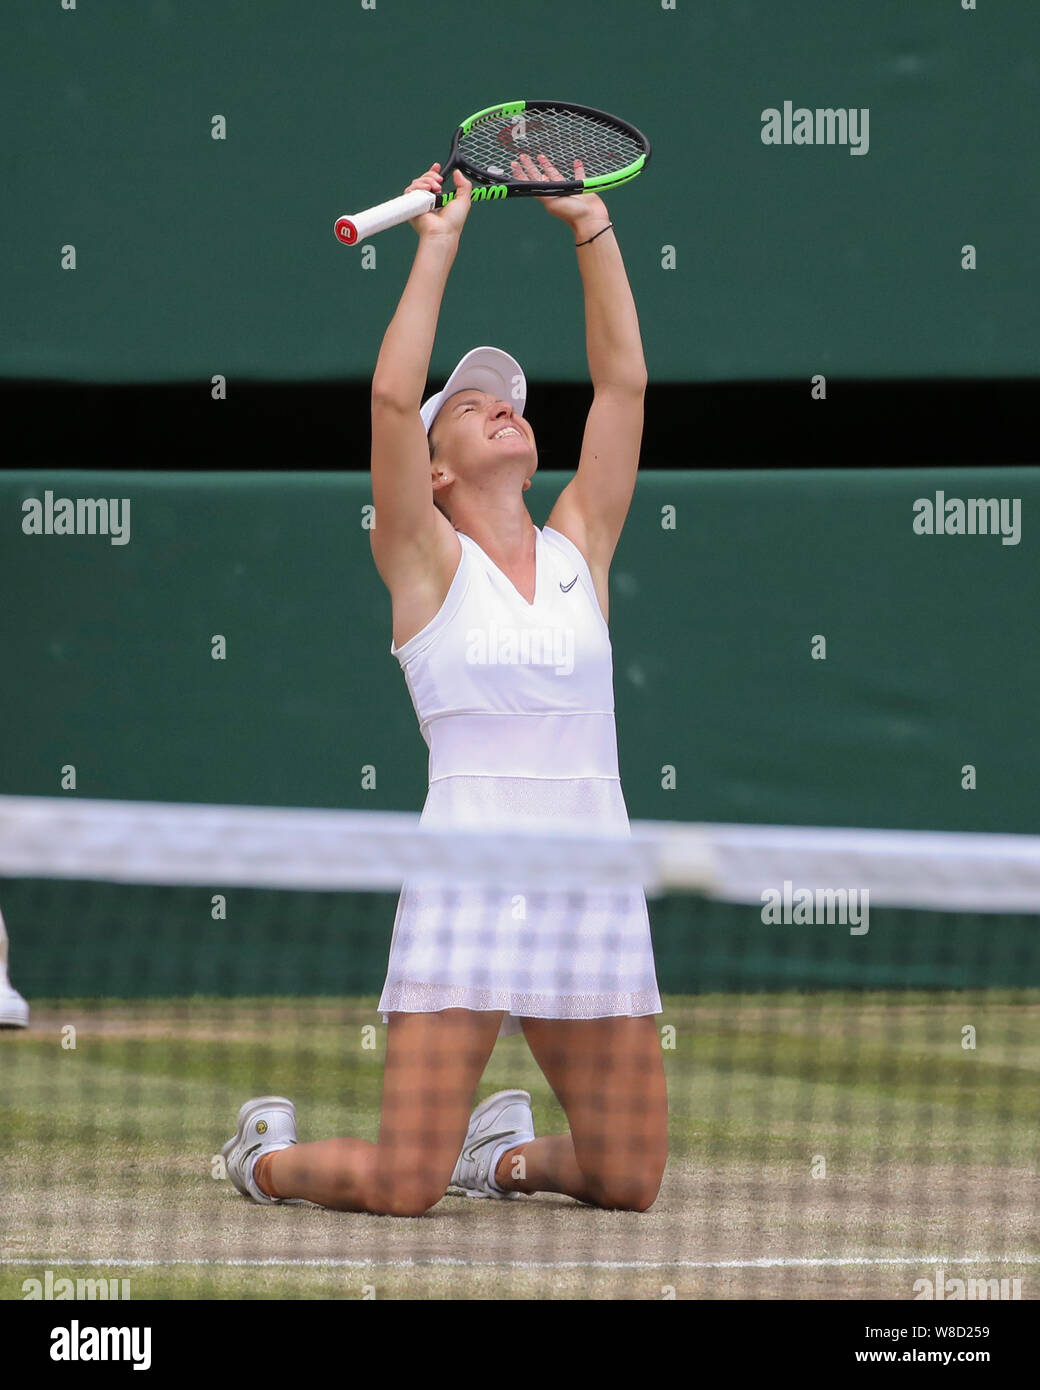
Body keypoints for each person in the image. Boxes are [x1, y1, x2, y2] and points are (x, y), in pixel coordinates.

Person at [222, 152, 666, 1215]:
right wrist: (436, 249)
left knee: (628, 1179)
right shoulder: (421, 564)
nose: (503, 406)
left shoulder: (577, 549)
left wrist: (589, 226)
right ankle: (262, 1158)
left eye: (508, 399)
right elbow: (386, 398)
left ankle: (501, 1157)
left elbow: (624, 385)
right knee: (402, 1186)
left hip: (588, 875)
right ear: (431, 467)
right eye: (471, 404)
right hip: (467, 881)